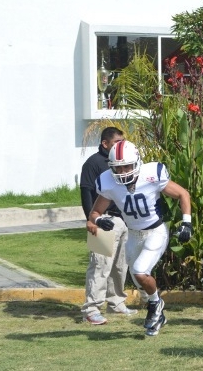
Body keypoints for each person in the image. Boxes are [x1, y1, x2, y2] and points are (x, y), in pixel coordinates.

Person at [86, 140, 193, 336]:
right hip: (133, 235)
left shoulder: (151, 174)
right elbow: (94, 214)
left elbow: (183, 194)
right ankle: (156, 307)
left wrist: (187, 222)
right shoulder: (108, 182)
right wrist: (99, 220)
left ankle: (155, 307)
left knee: (140, 271)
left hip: (156, 231)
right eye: (118, 168)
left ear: (137, 162)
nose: (123, 171)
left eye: (127, 166)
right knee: (138, 280)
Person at [79, 127, 137, 325]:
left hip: (124, 220)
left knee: (120, 266)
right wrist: (91, 219)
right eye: (116, 142)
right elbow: (86, 192)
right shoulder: (94, 163)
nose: (120, 146)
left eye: (123, 142)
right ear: (105, 144)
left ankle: (116, 303)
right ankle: (92, 308)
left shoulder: (124, 163)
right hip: (103, 220)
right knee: (100, 265)